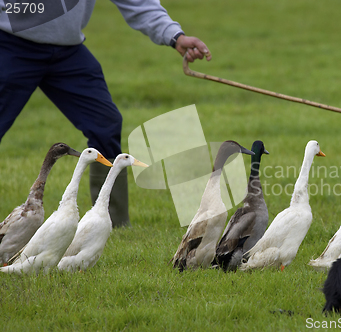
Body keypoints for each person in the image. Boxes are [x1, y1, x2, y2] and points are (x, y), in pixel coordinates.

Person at [0, 1, 211, 227]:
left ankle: (110, 224)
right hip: (10, 46)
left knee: (105, 124)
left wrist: (174, 35)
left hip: (67, 51)